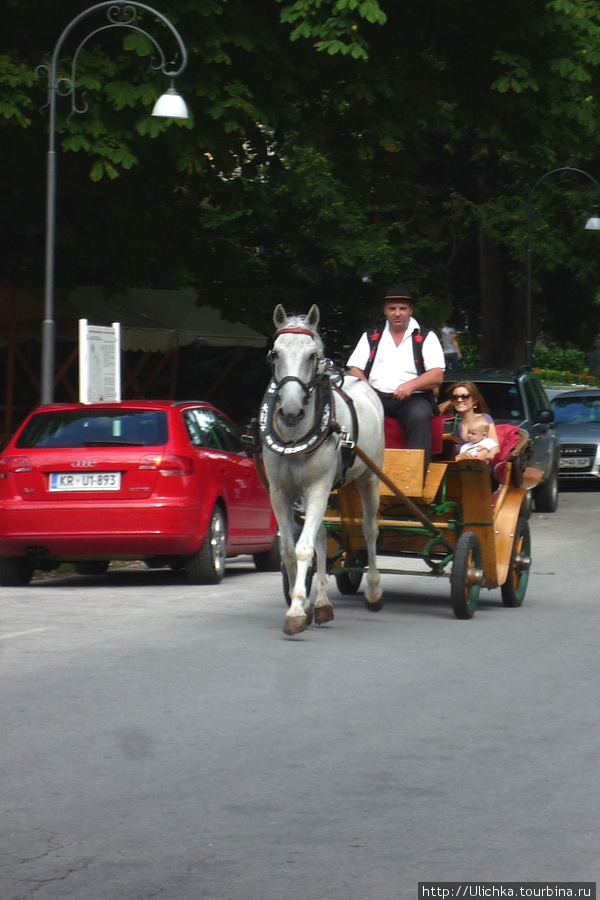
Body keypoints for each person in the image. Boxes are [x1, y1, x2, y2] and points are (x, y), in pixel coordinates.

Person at [347, 283, 445, 466]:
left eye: (402, 308)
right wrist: (366, 387)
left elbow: (437, 375)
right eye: (392, 309)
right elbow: (355, 369)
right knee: (350, 416)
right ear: (385, 310)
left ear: (411, 310)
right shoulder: (371, 335)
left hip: (413, 399)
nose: (397, 313)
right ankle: (351, 471)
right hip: (376, 397)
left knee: (419, 415)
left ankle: (415, 480)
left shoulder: (426, 336)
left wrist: (410, 386)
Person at [442, 381, 501, 462]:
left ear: (475, 400)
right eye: (455, 397)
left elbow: (496, 447)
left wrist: (480, 454)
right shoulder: (450, 423)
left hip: (481, 467)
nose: (459, 400)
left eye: (465, 396)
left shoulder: (485, 419)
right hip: (457, 468)